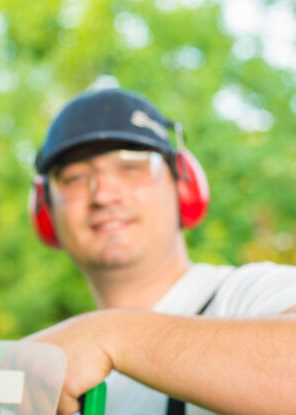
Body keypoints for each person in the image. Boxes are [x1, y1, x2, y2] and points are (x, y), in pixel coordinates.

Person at [24, 89, 296, 415]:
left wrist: (110, 335)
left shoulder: (247, 297)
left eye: (131, 167)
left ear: (183, 188)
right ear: (46, 212)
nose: (104, 195)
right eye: (74, 177)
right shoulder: (51, 380)